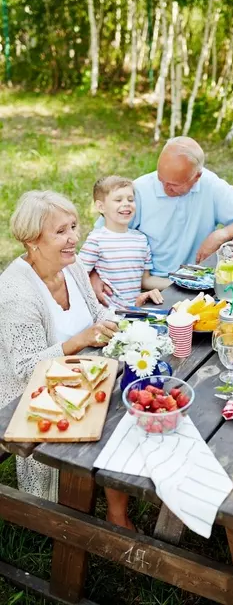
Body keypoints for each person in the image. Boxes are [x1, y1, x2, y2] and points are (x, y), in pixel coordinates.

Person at [0, 191, 135, 529]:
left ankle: (116, 509)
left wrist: (116, 323)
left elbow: (96, 312)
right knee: (117, 416)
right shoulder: (16, 290)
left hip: (82, 373)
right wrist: (78, 342)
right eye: (61, 232)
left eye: (74, 226)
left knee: (133, 398)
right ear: (33, 240)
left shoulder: (71, 265)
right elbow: (25, 368)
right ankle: (77, 517)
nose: (74, 238)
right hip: (30, 393)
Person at [89, 136, 233, 306]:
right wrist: (94, 275)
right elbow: (100, 236)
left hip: (198, 285)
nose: (164, 186)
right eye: (161, 178)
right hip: (152, 289)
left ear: (196, 177)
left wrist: (221, 234)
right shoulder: (139, 191)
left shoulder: (209, 184)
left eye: (174, 184)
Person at [78, 176, 172, 309]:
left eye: (131, 199)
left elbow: (145, 280)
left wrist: (177, 285)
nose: (126, 203)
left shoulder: (141, 240)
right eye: (118, 200)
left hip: (135, 311)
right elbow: (78, 276)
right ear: (101, 206)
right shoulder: (96, 240)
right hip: (107, 314)